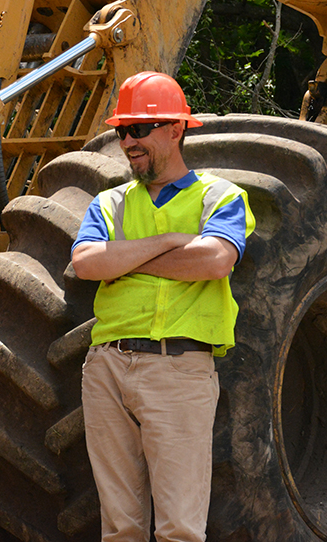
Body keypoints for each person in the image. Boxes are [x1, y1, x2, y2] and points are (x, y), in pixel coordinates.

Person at [71, 71, 255, 542]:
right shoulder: (109, 202)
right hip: (107, 368)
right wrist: (171, 241)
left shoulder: (220, 196)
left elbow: (214, 260)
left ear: (176, 129)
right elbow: (87, 263)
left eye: (139, 129)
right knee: (119, 528)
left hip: (179, 369)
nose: (127, 141)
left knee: (179, 529)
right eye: (121, 131)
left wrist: (125, 259)